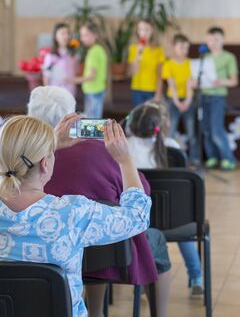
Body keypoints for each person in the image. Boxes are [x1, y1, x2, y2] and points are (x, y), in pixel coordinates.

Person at [28, 86, 171, 317]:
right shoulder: (98, 156)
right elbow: (139, 202)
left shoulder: (16, 158)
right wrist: (125, 161)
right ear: (70, 117)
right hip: (106, 254)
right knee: (104, 237)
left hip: (39, 266)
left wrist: (51, 145)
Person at [0, 113, 151, 317]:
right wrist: (125, 160)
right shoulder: (72, 214)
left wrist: (49, 144)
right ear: (45, 163)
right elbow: (138, 217)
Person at [126, 101, 203, 298]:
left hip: (137, 221)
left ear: (131, 125)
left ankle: (144, 279)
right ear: (159, 127)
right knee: (185, 232)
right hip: (174, 219)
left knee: (144, 237)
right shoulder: (172, 148)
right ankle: (196, 278)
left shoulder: (123, 148)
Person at [202, 27, 238, 171]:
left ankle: (228, 158)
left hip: (218, 96)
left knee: (217, 129)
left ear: (223, 40)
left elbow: (234, 81)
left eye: (216, 39)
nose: (213, 42)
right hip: (203, 96)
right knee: (207, 130)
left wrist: (221, 81)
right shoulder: (204, 57)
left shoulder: (229, 57)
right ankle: (212, 157)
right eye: (210, 40)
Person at [162, 34, 199, 166]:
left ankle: (194, 158)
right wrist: (177, 102)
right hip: (173, 100)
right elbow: (171, 84)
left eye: (187, 48)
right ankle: (169, 157)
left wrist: (188, 100)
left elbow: (191, 84)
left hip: (188, 100)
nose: (184, 50)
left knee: (191, 131)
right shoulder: (168, 64)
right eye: (181, 47)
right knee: (171, 130)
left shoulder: (191, 63)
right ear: (174, 47)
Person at [68, 20, 107, 118]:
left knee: (92, 122)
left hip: (94, 92)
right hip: (94, 91)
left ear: (94, 35)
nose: (82, 38)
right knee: (91, 120)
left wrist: (71, 80)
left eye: (85, 35)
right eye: (81, 35)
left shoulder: (95, 52)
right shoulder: (96, 50)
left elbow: (91, 76)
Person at [128, 19, 165, 107]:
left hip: (152, 90)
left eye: (146, 29)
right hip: (137, 90)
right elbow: (133, 72)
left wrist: (158, 94)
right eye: (140, 29)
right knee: (139, 118)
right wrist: (138, 54)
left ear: (152, 31)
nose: (143, 33)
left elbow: (160, 75)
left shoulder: (158, 50)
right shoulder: (133, 49)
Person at [42, 22, 80, 96]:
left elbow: (76, 71)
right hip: (56, 94)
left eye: (68, 33)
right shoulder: (50, 56)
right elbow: (46, 77)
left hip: (70, 93)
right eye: (62, 33)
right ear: (56, 36)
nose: (66, 36)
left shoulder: (73, 54)